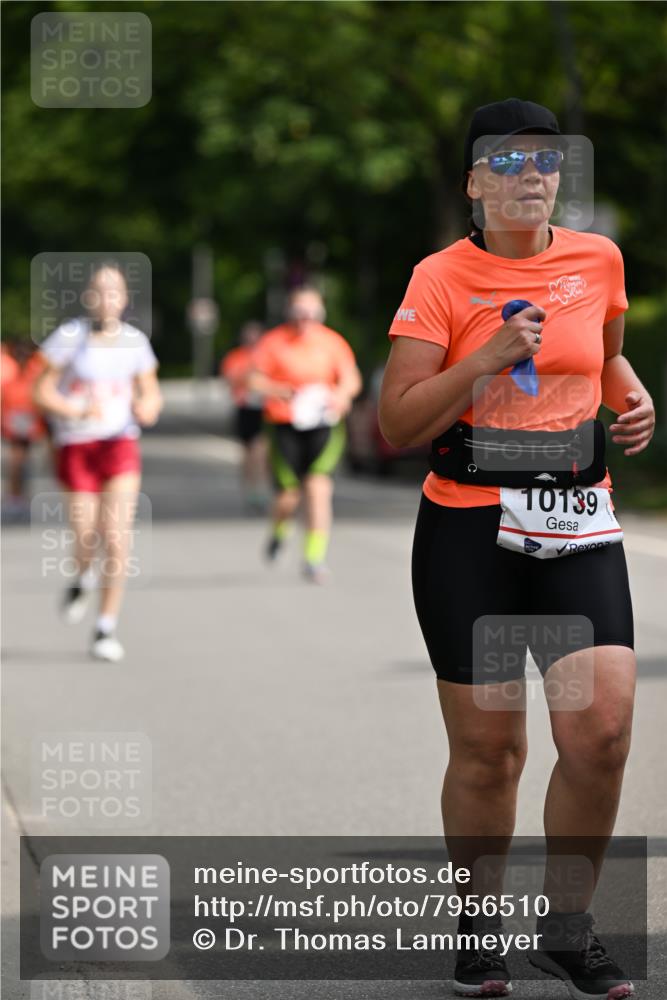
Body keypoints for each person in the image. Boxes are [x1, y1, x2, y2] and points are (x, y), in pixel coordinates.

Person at [379, 99, 653, 999]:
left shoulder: (596, 259)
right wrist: (481, 360)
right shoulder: (439, 278)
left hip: (577, 520)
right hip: (470, 529)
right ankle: (476, 925)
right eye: (504, 162)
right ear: (471, 184)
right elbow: (395, 423)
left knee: (602, 731)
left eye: (543, 162)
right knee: (491, 752)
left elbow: (601, 358)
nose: (529, 176)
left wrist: (632, 396)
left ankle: (566, 930)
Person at [33, 264, 162, 662]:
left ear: (124, 299)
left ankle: (105, 627)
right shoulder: (70, 337)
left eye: (115, 292)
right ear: (89, 298)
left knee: (118, 536)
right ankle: (83, 575)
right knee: (86, 533)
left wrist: (147, 407)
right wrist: (74, 408)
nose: (107, 299)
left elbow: (152, 395)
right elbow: (41, 392)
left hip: (120, 443)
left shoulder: (135, 342)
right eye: (100, 292)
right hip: (77, 444)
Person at [247, 286, 362, 583]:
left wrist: (342, 395)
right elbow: (253, 380)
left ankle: (314, 558)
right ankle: (279, 530)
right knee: (288, 495)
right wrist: (279, 390)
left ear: (320, 315)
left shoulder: (332, 342)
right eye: (299, 313)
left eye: (311, 313)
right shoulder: (273, 342)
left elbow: (351, 378)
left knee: (318, 488)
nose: (305, 319)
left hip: (323, 424)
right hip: (284, 425)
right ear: (290, 313)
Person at [220, 320, 269, 512]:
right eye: (249, 335)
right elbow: (230, 380)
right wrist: (248, 377)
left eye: (256, 335)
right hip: (244, 408)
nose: (252, 339)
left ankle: (261, 488)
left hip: (263, 409)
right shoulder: (235, 357)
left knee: (260, 450)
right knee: (248, 452)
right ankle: (250, 488)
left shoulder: (266, 355)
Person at [1, 341, 48, 519]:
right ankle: (15, 497)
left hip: (27, 418)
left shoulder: (34, 369)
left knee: (21, 461)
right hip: (14, 418)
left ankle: (19, 497)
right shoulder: (9, 369)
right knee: (17, 460)